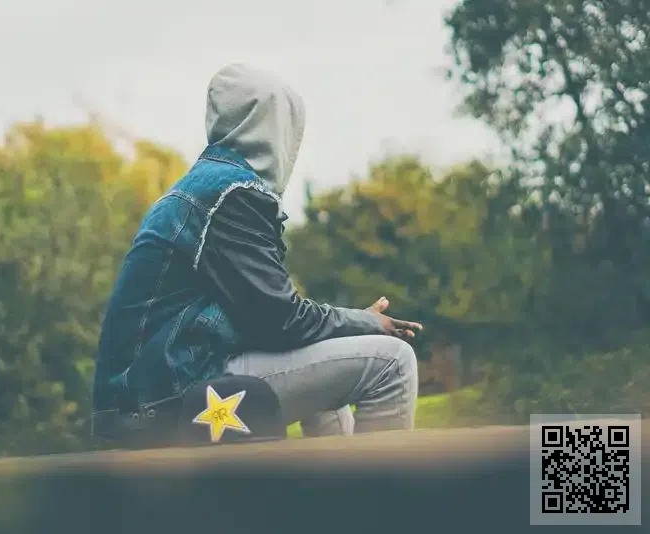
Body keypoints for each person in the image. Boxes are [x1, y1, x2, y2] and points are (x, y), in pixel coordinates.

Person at [91, 63, 422, 447]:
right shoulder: (234, 194)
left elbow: (267, 319)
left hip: (143, 398)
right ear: (274, 128)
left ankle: (337, 485)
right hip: (172, 398)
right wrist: (365, 322)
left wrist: (350, 326)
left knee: (327, 369)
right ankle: (380, 487)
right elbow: (282, 320)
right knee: (393, 363)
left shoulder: (199, 189)